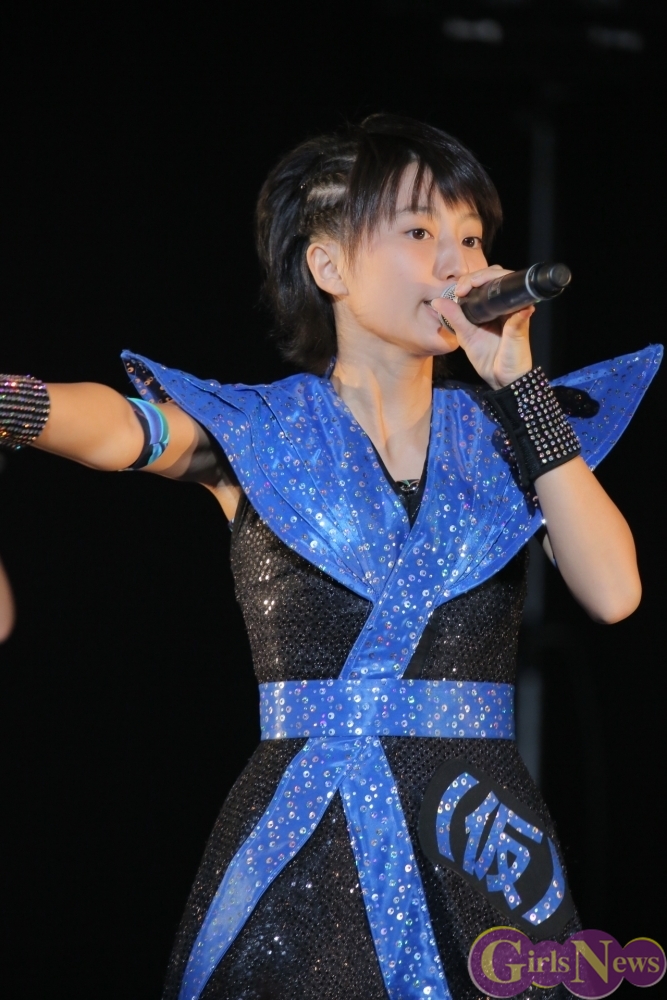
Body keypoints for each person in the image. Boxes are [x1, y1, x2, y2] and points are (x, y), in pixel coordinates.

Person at [0, 115, 661, 1000]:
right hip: (306, 853)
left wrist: (520, 388)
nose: (457, 263)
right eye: (419, 232)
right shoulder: (261, 431)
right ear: (330, 267)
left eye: (471, 238)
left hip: (477, 844)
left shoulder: (509, 437)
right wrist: (12, 405)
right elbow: (122, 427)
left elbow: (613, 592)